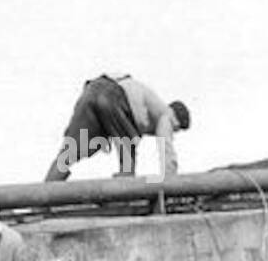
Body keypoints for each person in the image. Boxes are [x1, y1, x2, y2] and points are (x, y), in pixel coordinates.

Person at [44, 73, 191, 182]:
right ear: (175, 118)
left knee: (70, 152)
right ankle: (124, 192)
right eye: (175, 129)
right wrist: (172, 184)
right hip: (113, 95)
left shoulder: (147, 108)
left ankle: (45, 193)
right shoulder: (166, 113)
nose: (172, 132)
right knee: (128, 156)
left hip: (92, 91)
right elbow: (166, 148)